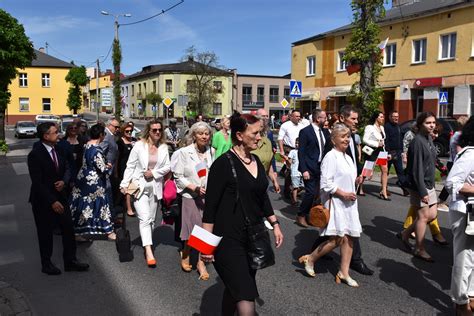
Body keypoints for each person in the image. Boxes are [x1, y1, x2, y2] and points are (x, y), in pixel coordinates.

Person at [201, 113, 283, 315]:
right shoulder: (222, 164)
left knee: (235, 289)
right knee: (246, 296)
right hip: (227, 240)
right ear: (239, 135)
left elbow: (261, 197)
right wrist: (204, 248)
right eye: (255, 133)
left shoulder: (254, 159)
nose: (259, 138)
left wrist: (275, 224)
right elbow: (209, 208)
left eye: (261, 133)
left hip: (252, 236)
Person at [312, 105, 374, 276]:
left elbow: (352, 161)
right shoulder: (332, 146)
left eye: (357, 119)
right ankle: (352, 261)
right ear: (342, 118)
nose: (356, 122)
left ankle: (335, 263)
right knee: (342, 233)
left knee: (343, 232)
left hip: (349, 192)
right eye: (353, 119)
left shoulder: (351, 139)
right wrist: (325, 192)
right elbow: (326, 170)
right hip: (337, 196)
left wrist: (358, 176)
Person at [299, 124, 362, 287]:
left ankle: (344, 272)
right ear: (333, 139)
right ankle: (310, 259)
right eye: (342, 136)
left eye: (348, 136)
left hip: (349, 202)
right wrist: (343, 193)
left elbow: (346, 177)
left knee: (350, 237)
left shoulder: (348, 157)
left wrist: (357, 180)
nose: (346, 139)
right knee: (337, 238)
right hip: (336, 202)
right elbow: (326, 183)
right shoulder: (330, 156)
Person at [27, 122, 89, 275]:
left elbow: (68, 166)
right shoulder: (35, 154)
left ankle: (70, 261)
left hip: (60, 196)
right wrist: (52, 201)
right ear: (46, 136)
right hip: (43, 200)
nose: (59, 134)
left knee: (68, 228)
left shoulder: (60, 149)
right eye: (55, 132)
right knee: (45, 233)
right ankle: (46, 264)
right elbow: (37, 183)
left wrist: (64, 181)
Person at [120, 120, 171, 267]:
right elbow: (130, 165)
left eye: (159, 130)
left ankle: (147, 241)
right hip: (139, 185)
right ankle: (148, 250)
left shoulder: (163, 147)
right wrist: (124, 184)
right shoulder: (139, 146)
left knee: (152, 220)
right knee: (145, 218)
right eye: (154, 130)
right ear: (148, 130)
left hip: (155, 186)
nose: (157, 132)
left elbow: (167, 166)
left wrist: (153, 173)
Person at [172, 122, 215, 280]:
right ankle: (186, 251)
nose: (204, 136)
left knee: (204, 230)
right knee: (193, 230)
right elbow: (178, 176)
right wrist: (194, 188)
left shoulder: (212, 151)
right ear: (194, 135)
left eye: (207, 134)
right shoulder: (184, 152)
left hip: (208, 196)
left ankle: (200, 263)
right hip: (191, 195)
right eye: (201, 133)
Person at [399, 112, 438, 262]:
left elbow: (430, 159)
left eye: (433, 122)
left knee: (432, 214)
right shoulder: (417, 142)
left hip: (429, 183)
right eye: (428, 123)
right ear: (421, 124)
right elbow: (416, 170)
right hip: (419, 185)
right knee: (423, 217)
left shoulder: (428, 138)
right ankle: (419, 249)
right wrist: (422, 191)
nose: (432, 125)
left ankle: (406, 234)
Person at [445, 116, 474, 315]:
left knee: (473, 257)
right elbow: (451, 183)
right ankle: (460, 302)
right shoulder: (470, 154)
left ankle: (471, 295)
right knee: (463, 257)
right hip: (464, 211)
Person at [70, 124, 116, 241]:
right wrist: (108, 166)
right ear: (101, 135)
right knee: (102, 204)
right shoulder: (96, 150)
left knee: (81, 204)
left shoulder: (87, 145)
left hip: (82, 178)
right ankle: (109, 231)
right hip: (94, 181)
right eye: (104, 134)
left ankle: (77, 232)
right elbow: (102, 168)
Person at [297, 108, 329, 227]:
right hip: (309, 167)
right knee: (310, 192)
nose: (326, 120)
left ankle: (312, 216)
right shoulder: (305, 132)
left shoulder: (325, 132)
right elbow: (301, 152)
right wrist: (304, 169)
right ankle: (301, 215)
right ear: (317, 118)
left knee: (318, 193)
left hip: (321, 168)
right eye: (324, 117)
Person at [363, 111, 390, 200]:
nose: (382, 118)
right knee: (367, 171)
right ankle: (359, 186)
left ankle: (383, 191)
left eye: (383, 117)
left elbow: (383, 140)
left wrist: (386, 151)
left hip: (381, 151)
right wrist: (376, 144)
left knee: (385, 169)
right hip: (373, 151)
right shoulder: (369, 127)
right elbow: (365, 140)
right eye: (381, 117)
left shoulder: (382, 127)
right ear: (376, 118)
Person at [278, 111, 305, 198]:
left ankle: (296, 189)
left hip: (300, 149)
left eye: (299, 116)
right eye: (296, 116)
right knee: (290, 170)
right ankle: (287, 190)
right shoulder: (285, 125)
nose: (298, 118)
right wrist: (282, 151)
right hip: (288, 149)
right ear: (291, 117)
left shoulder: (302, 125)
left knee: (299, 170)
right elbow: (280, 139)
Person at [100, 118, 120, 218]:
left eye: (118, 127)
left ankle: (110, 217)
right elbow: (100, 152)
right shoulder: (106, 136)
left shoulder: (111, 136)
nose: (117, 129)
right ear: (109, 125)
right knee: (107, 195)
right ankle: (109, 218)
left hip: (110, 171)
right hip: (105, 171)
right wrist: (104, 164)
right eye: (115, 127)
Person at [384, 110, 408, 195]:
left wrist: (402, 151)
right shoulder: (386, 126)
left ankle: (405, 188)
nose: (396, 118)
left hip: (398, 152)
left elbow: (400, 140)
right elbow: (386, 140)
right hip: (389, 153)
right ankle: (384, 188)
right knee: (386, 171)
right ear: (390, 117)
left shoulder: (398, 126)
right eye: (394, 116)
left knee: (400, 171)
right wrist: (388, 152)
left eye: (397, 116)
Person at [117, 122, 137, 217]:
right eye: (127, 131)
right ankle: (129, 208)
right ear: (123, 131)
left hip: (135, 168)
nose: (129, 133)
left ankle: (132, 205)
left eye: (131, 131)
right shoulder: (120, 142)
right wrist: (116, 171)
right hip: (124, 168)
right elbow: (117, 158)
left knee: (134, 186)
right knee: (128, 188)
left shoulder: (135, 141)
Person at [57, 122, 84, 186]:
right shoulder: (63, 140)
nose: (73, 129)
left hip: (79, 166)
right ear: (68, 130)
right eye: (71, 128)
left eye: (75, 128)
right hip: (67, 167)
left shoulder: (82, 139)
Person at [288, 138, 303, 206]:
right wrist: (288, 165)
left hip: (302, 172)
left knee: (303, 186)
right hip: (295, 172)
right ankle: (294, 201)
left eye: (298, 143)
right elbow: (289, 161)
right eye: (296, 143)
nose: (297, 144)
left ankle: (292, 193)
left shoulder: (304, 151)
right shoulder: (293, 151)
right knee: (295, 187)